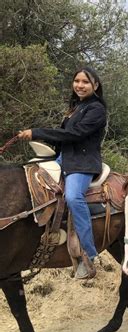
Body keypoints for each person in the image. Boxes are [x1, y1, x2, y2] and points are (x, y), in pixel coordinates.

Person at [18, 67, 107, 279]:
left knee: (74, 197)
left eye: (85, 82)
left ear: (95, 85)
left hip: (82, 163)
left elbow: (73, 134)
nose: (79, 85)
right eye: (76, 80)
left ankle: (88, 253)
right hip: (64, 158)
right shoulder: (76, 107)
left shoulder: (96, 109)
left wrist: (37, 133)